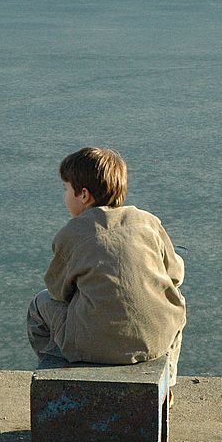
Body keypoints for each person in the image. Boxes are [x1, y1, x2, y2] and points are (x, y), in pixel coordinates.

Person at [27, 147, 187, 392]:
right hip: (154, 342)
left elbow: (58, 292)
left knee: (39, 306)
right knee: (176, 303)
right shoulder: (147, 222)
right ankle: (167, 387)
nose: (64, 196)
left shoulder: (72, 233)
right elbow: (175, 275)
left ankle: (62, 376)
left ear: (83, 195)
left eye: (65, 189)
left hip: (93, 345)